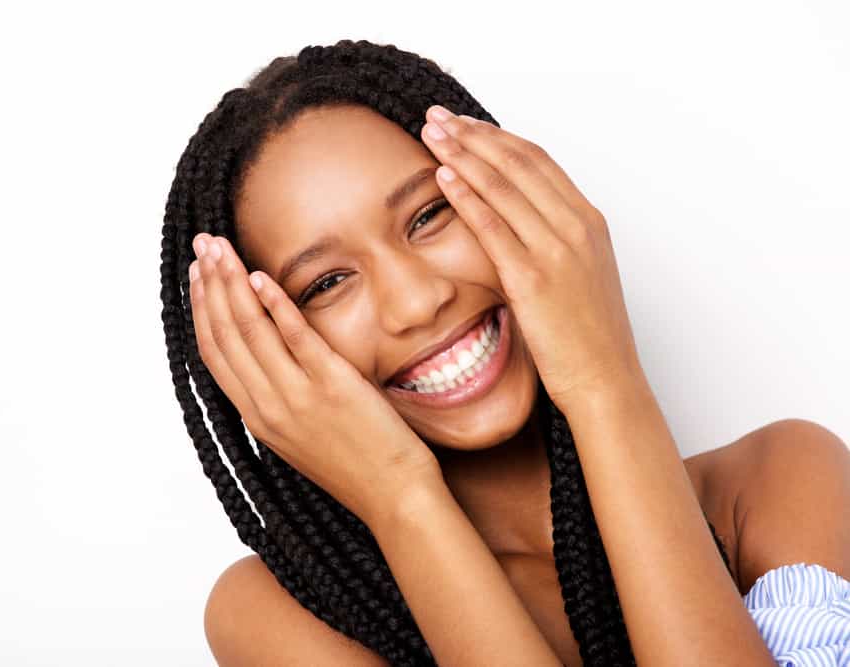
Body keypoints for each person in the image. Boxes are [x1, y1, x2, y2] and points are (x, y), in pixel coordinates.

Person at [159, 39, 850, 666]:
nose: (415, 301)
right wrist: (402, 498)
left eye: (429, 215)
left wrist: (602, 379)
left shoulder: (772, 483)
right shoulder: (279, 614)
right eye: (326, 283)